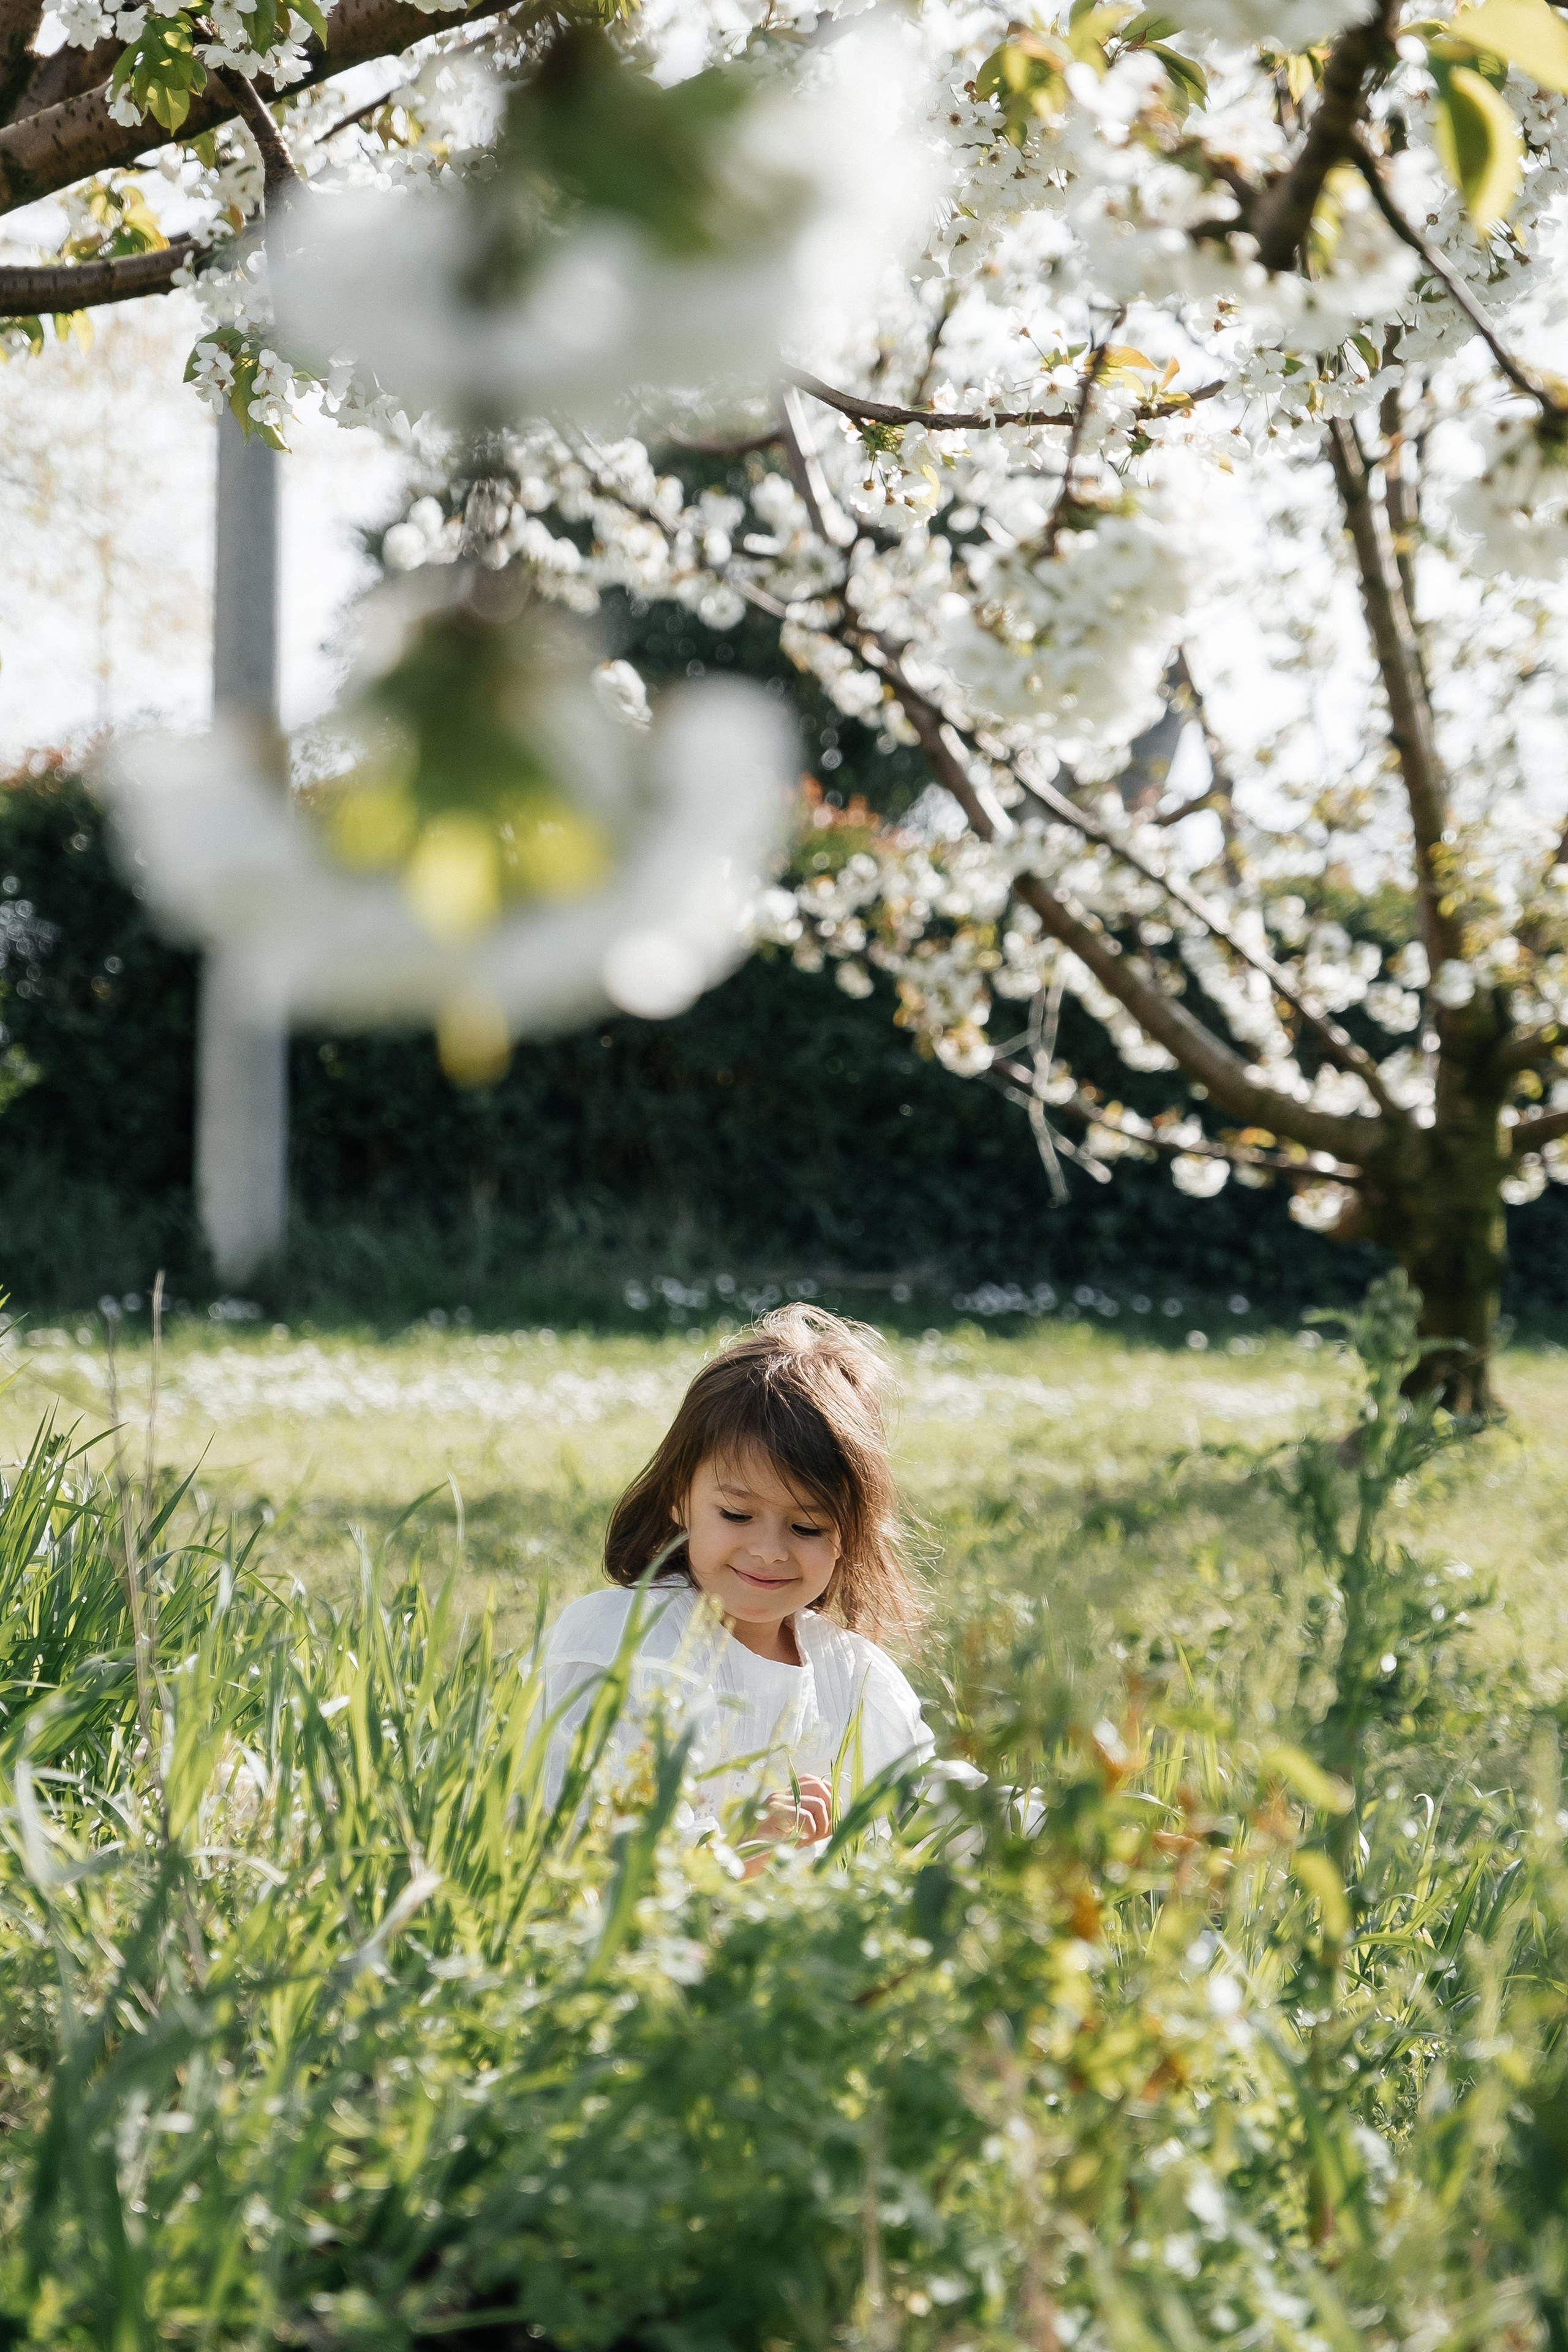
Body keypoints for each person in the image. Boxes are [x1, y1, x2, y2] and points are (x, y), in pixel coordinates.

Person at [539, 1304, 933, 1863]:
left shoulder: (852, 1674)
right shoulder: (624, 1643)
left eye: (806, 1527)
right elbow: (595, 1839)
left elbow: (927, 1801)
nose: (769, 1551)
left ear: (850, 1535)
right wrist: (734, 1849)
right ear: (681, 1496)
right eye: (736, 1515)